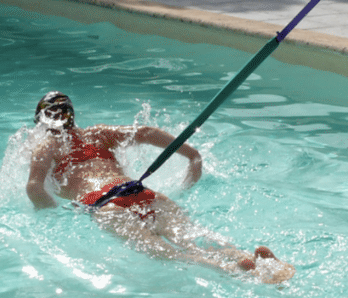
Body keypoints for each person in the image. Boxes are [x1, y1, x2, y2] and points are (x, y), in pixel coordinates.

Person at [25, 91, 294, 284]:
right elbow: (143, 132)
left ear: (41, 122)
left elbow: (34, 188)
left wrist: (55, 216)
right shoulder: (97, 134)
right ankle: (254, 258)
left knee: (169, 255)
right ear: (72, 116)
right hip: (138, 190)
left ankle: (235, 270)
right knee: (194, 236)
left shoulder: (46, 146)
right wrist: (191, 154)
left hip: (104, 203)